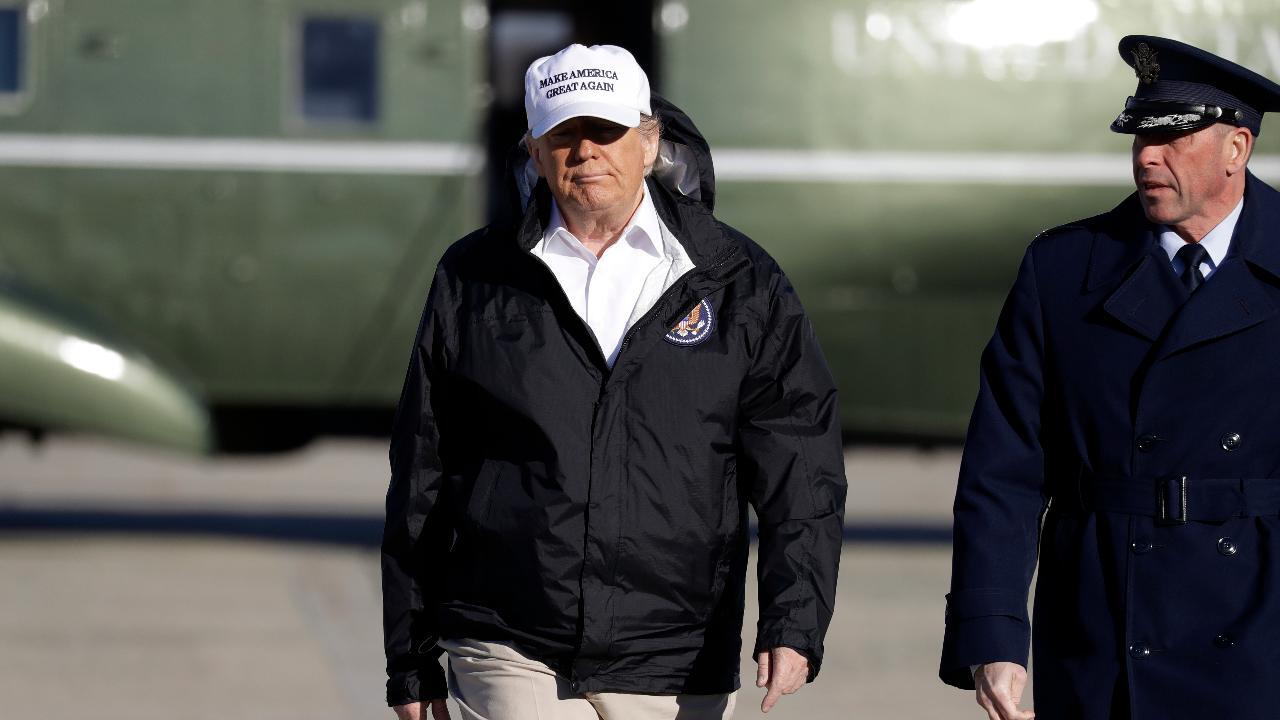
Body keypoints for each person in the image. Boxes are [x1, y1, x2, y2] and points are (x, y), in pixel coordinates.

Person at [382, 44, 846, 720]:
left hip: (675, 649)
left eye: (605, 130)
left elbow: (800, 465)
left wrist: (794, 619)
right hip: (509, 633)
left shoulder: (740, 280)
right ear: (534, 151)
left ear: (649, 142)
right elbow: (422, 467)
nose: (585, 151)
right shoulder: (474, 276)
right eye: (563, 134)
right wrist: (410, 656)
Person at [939, 35, 1280, 720]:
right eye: (1140, 137)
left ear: (1236, 149)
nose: (1147, 156)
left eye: (1173, 138)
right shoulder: (1064, 269)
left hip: (1260, 629)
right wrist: (994, 633)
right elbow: (1004, 468)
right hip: (1104, 630)